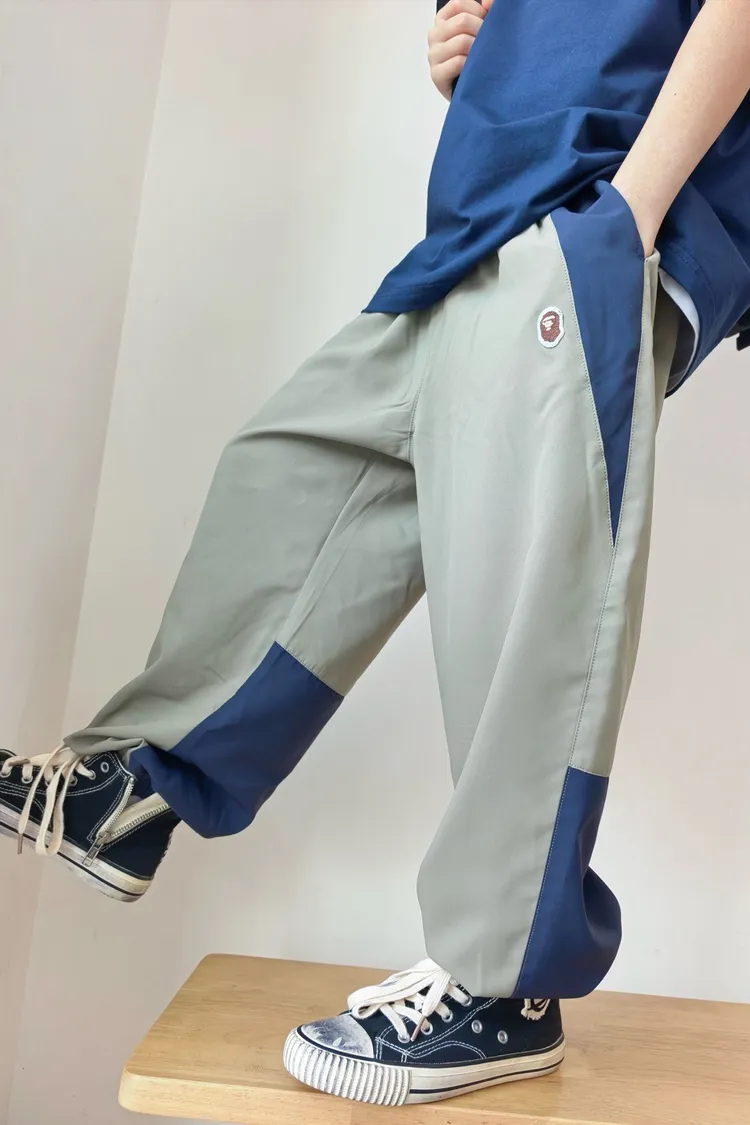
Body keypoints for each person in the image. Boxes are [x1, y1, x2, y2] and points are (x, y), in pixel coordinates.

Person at [3, 0, 750, 1108]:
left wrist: (629, 214)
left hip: (598, 218)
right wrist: (467, 54)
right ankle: (137, 786)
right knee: (296, 476)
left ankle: (504, 983)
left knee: (524, 591)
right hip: (478, 227)